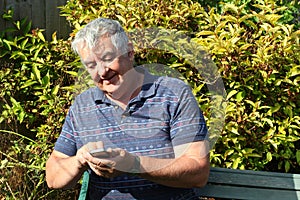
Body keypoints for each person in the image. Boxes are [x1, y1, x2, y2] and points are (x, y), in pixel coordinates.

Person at [46, 18, 210, 200]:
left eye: (108, 59)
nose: (102, 72)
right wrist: (80, 159)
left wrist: (133, 164)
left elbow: (198, 172)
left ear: (130, 52)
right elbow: (53, 178)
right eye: (91, 65)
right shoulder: (83, 106)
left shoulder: (173, 94)